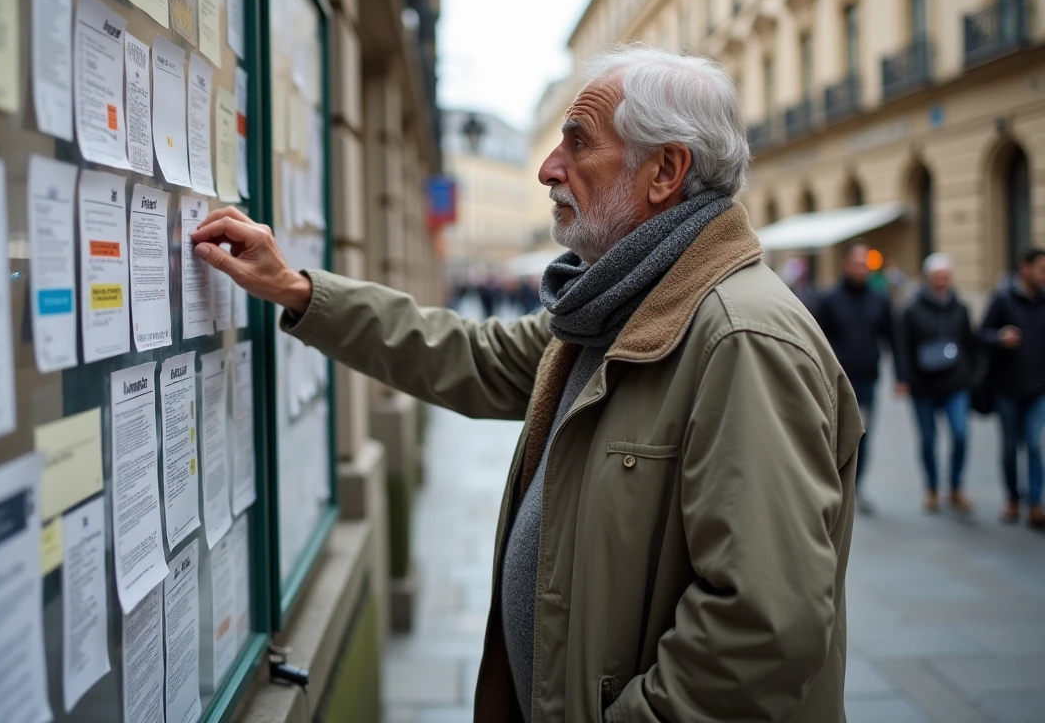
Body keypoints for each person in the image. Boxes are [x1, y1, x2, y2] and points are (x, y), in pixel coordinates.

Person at [193, 45, 863, 722]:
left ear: (665, 171)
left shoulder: (740, 339)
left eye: (578, 142)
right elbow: (467, 354)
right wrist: (298, 290)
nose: (548, 169)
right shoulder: (616, 310)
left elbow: (764, 631)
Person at [814, 240, 894, 515]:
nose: (862, 269)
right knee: (834, 435)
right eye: (857, 264)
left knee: (863, 436)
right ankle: (831, 486)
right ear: (845, 264)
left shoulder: (878, 299)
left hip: (868, 380)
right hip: (836, 382)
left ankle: (855, 487)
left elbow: (891, 335)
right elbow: (817, 338)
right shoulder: (829, 299)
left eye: (865, 265)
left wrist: (903, 376)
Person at [894, 253, 978, 514]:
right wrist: (903, 379)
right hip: (923, 386)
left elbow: (969, 342)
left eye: (945, 277)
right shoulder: (912, 309)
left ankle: (955, 486)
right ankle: (931, 488)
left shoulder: (960, 308)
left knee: (961, 434)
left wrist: (971, 375)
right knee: (928, 440)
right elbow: (902, 347)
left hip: (955, 384)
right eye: (937, 277)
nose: (941, 282)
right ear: (928, 279)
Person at [980, 247, 1045, 528]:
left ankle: (1035, 502)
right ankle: (1012, 498)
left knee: (1032, 443)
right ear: (1024, 268)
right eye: (1042, 269)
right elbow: (980, 333)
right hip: (1006, 389)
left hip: (1038, 389)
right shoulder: (1003, 299)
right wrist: (999, 337)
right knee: (1009, 448)